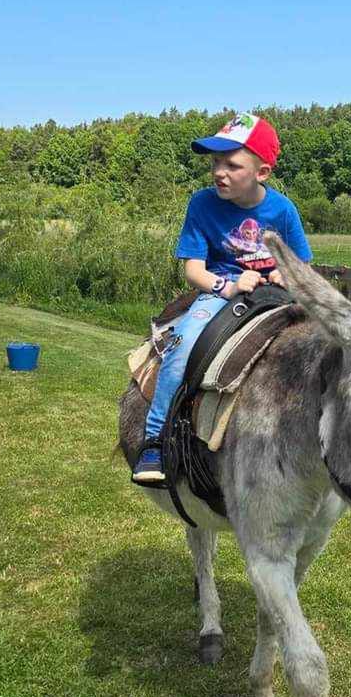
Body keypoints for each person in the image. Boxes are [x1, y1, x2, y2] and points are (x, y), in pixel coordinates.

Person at [133, 112, 312, 484]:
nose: (219, 172)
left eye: (232, 165)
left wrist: (286, 273)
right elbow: (193, 271)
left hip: (276, 294)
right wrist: (228, 287)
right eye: (216, 162)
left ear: (262, 172)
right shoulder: (202, 204)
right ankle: (155, 440)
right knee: (183, 346)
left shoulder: (283, 210)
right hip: (222, 290)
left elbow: (301, 266)